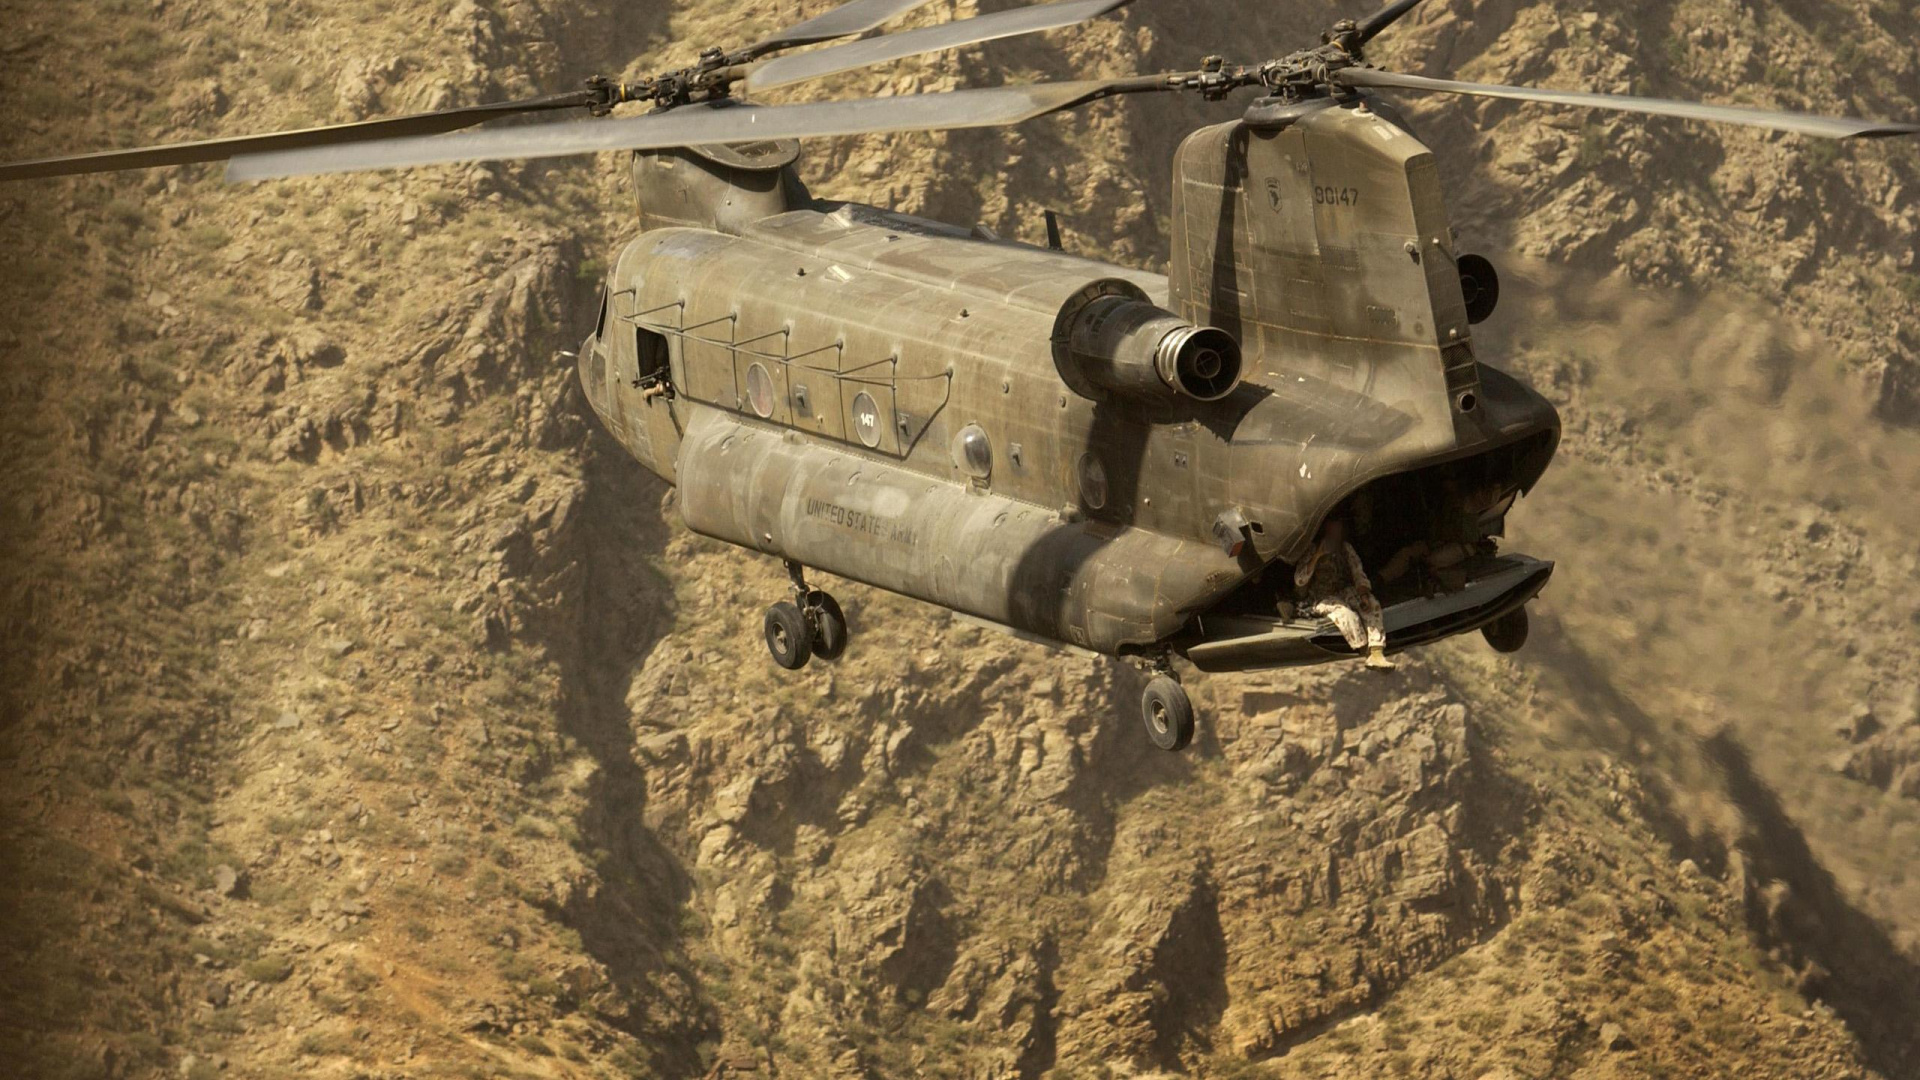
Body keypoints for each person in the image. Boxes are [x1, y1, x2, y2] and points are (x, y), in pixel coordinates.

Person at [1293, 518, 1394, 670]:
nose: (1335, 536)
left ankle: (1377, 651)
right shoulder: (1313, 549)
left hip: (1344, 590)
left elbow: (1357, 571)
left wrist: (1364, 595)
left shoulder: (1345, 548)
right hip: (1322, 596)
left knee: (1372, 605)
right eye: (1332, 532)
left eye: (1338, 532)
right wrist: (1317, 556)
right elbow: (1300, 580)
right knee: (1346, 614)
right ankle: (1365, 650)